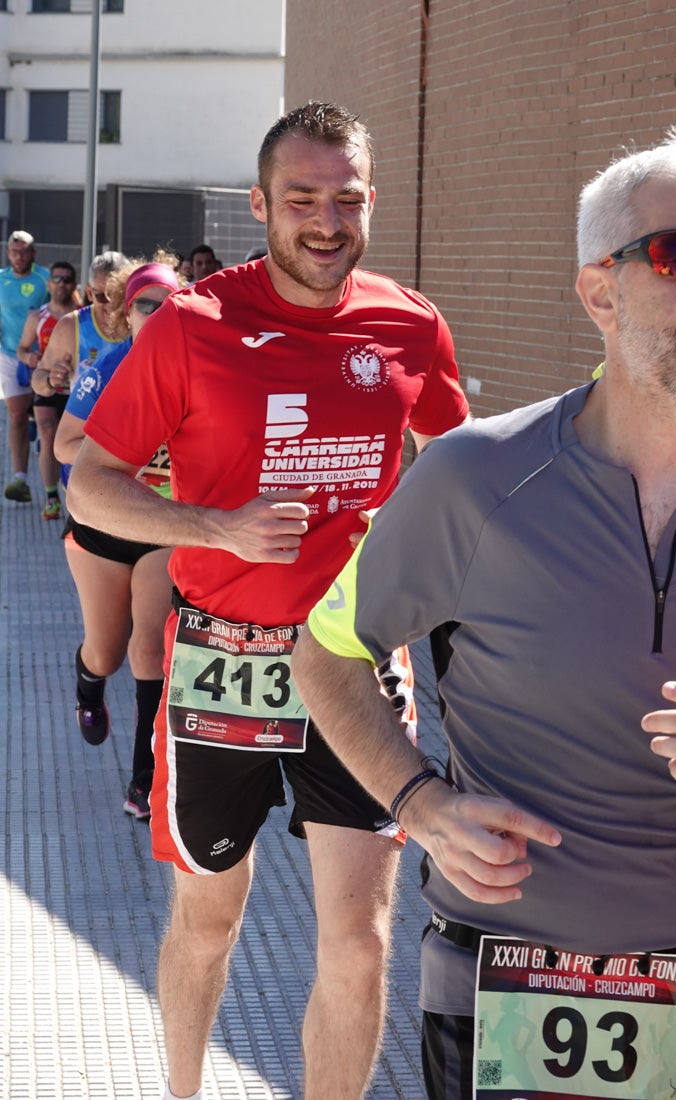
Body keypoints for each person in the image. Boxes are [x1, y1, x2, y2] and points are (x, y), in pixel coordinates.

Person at [291, 126, 676, 1100]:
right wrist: (417, 801)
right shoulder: (475, 475)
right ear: (598, 292)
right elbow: (324, 651)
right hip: (504, 983)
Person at [66, 101, 469, 1100]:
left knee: (362, 940)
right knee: (208, 921)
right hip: (220, 656)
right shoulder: (194, 326)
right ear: (260, 205)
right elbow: (90, 478)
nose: (326, 222)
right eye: (302, 200)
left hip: (354, 660)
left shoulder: (408, 323)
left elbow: (461, 465)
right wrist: (217, 526)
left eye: (347, 199)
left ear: (370, 202)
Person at [55, 259, 183, 820]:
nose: (157, 315)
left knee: (150, 648)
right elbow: (62, 446)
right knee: (106, 653)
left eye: (168, 304)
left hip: (163, 528)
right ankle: (88, 685)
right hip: (101, 528)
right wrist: (115, 461)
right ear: (125, 313)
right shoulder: (104, 368)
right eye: (145, 305)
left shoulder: (198, 371)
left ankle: (143, 782)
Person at [33, 251, 128, 492]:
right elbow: (38, 380)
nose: (110, 304)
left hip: (131, 443)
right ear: (88, 292)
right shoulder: (71, 326)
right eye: (100, 296)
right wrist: (52, 380)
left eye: (117, 296)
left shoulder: (141, 324)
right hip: (84, 446)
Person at [16, 261, 79, 518]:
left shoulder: (83, 315)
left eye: (66, 279)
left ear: (74, 285)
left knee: (73, 442)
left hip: (76, 387)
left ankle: (75, 496)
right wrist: (29, 358)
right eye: (57, 279)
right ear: (48, 283)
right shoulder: (37, 317)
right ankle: (51, 497)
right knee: (48, 433)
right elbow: (21, 348)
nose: (61, 284)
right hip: (45, 384)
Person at [0, 230, 50, 502]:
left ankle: (52, 486)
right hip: (10, 356)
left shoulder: (46, 278)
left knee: (46, 420)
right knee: (16, 416)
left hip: (43, 358)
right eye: (14, 251)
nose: (19, 256)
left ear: (33, 253)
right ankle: (20, 480)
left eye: (24, 251)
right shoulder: (0, 280)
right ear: (8, 253)